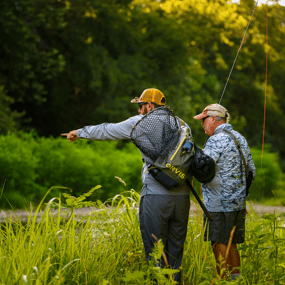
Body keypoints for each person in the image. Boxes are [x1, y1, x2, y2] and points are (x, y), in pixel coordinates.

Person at [62, 88, 192, 284]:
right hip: (182, 198)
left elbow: (107, 130)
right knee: (175, 255)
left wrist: (79, 133)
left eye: (141, 106)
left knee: (155, 254)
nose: (139, 110)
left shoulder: (140, 122)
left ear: (149, 106)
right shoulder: (183, 124)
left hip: (155, 196)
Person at [193, 103, 256, 281]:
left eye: (203, 120)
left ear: (213, 119)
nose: (202, 125)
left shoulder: (216, 140)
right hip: (237, 203)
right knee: (232, 243)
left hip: (218, 204)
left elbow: (203, 167)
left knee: (218, 242)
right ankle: (235, 281)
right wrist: (241, 197)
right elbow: (251, 171)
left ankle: (223, 281)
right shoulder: (240, 137)